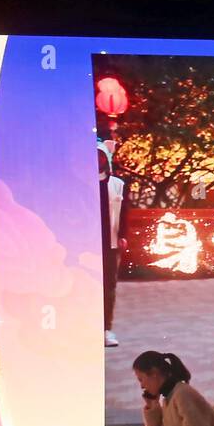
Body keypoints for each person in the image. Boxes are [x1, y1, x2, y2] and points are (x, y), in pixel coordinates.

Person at [99, 143, 125, 347]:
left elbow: (125, 211)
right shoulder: (80, 184)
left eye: (101, 157)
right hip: (85, 244)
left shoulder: (117, 184)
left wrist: (123, 235)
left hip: (111, 244)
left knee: (108, 288)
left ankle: (105, 329)